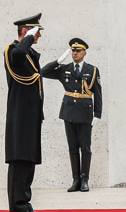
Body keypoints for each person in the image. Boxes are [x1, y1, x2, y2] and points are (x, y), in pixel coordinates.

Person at [41, 37, 103, 192]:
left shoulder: (92, 70)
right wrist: (58, 61)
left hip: (85, 113)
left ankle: (85, 180)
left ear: (84, 53)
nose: (75, 53)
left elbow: (98, 93)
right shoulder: (64, 68)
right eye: (73, 51)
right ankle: (75, 180)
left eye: (78, 50)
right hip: (69, 112)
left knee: (86, 148)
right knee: (73, 147)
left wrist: (97, 114)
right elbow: (43, 72)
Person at [5, 13, 47, 212]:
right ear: (26, 31)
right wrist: (29, 36)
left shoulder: (29, 54)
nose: (39, 36)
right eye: (36, 31)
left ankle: (25, 203)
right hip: (19, 115)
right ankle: (17, 207)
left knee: (29, 160)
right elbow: (19, 53)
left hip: (30, 115)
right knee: (19, 160)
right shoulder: (13, 50)